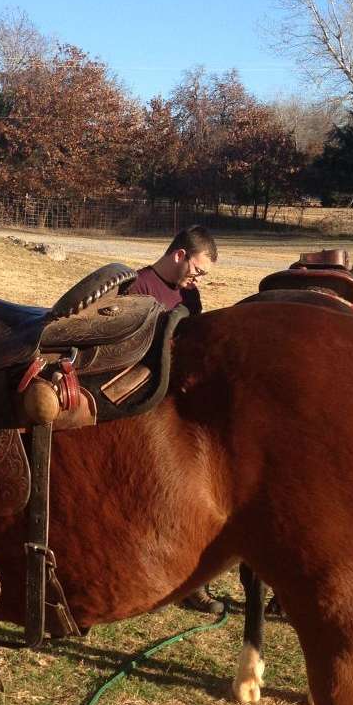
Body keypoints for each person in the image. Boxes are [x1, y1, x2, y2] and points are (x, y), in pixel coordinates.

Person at [126, 225, 224, 616]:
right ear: (180, 254)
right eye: (197, 269)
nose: (197, 279)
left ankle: (193, 581)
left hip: (179, 405)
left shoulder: (190, 295)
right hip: (145, 409)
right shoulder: (138, 288)